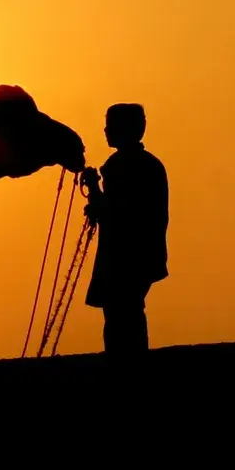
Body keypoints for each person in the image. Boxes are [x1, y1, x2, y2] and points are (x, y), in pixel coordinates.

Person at [81, 103, 169, 356]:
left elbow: (119, 214)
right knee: (129, 309)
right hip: (145, 253)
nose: (106, 130)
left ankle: (125, 363)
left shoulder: (123, 166)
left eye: (110, 125)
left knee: (120, 313)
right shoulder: (149, 164)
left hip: (125, 256)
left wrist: (95, 193)